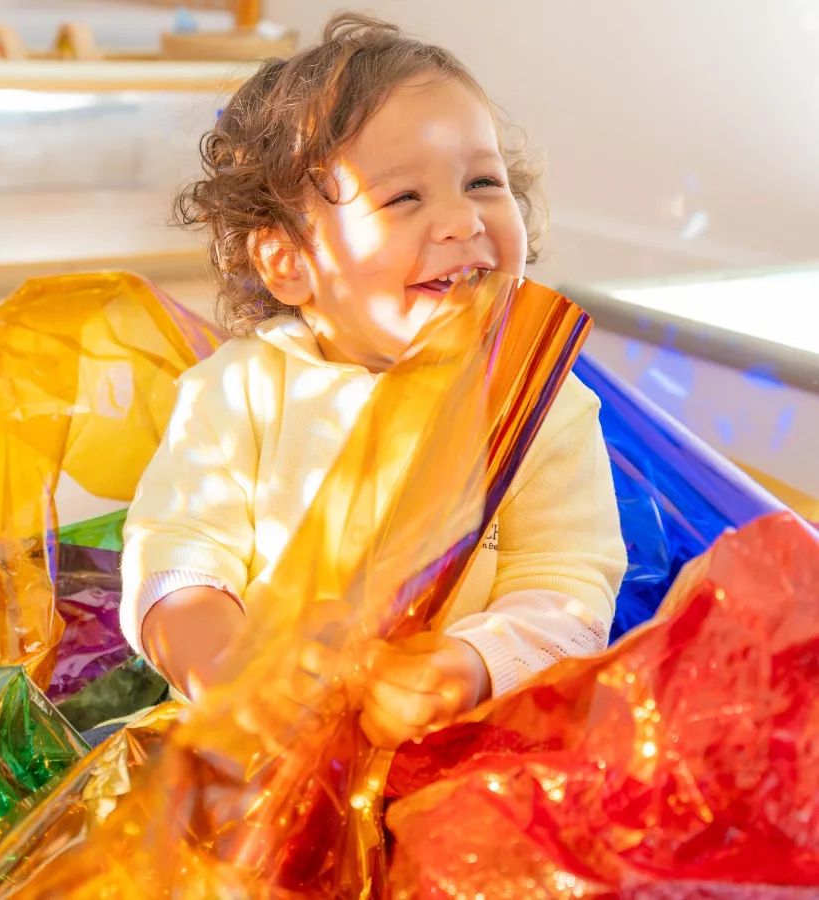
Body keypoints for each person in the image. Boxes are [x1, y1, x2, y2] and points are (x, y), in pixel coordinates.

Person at [119, 12, 627, 751]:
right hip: (255, 763)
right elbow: (175, 559)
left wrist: (476, 664)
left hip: (462, 758)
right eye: (404, 199)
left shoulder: (544, 406)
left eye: (483, 182)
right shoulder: (239, 394)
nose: (462, 219)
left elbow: (570, 589)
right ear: (288, 262)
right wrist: (229, 671)